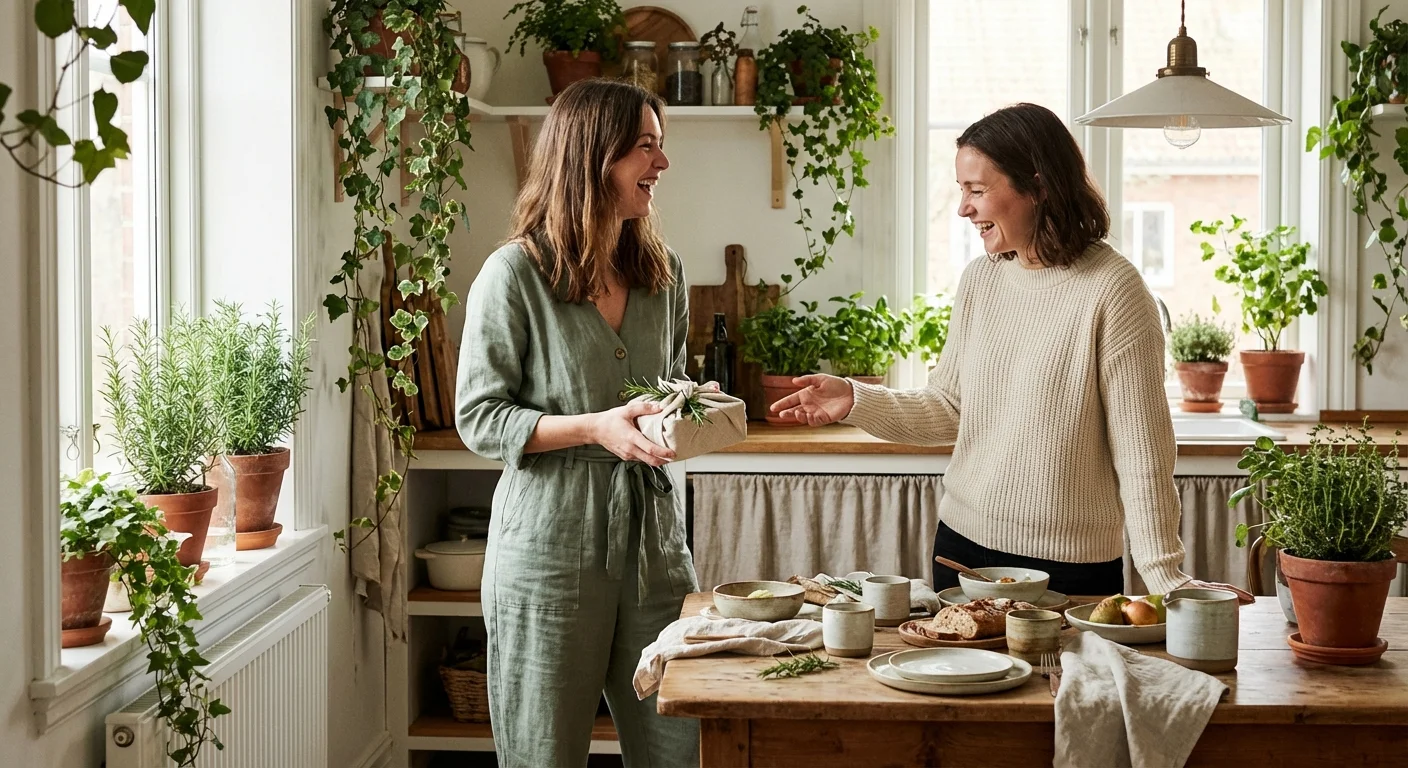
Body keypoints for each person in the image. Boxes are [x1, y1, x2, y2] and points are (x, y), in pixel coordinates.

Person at [771, 103, 1252, 603]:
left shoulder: (1113, 290)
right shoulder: (981, 280)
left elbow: (1142, 452)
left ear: (1038, 187)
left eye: (977, 190)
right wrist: (856, 400)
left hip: (1069, 566)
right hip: (963, 547)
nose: (964, 208)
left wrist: (1165, 574)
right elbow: (949, 408)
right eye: (962, 190)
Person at [455, 79, 698, 768]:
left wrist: (691, 407)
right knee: (544, 751)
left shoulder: (664, 273)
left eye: (660, 145)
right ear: (594, 155)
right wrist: (595, 428)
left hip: (654, 547)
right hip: (548, 549)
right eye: (645, 146)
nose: (662, 162)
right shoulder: (514, 274)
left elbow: (666, 389)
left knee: (681, 743)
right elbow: (478, 416)